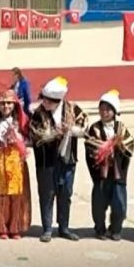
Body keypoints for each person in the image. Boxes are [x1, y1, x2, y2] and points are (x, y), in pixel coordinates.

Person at [30, 76, 88, 243]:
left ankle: (64, 228)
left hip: (68, 159)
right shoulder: (38, 113)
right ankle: (47, 228)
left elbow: (85, 127)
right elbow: (35, 133)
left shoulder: (73, 109)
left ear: (58, 101)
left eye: (49, 101)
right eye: (44, 99)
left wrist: (71, 129)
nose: (45, 103)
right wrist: (54, 133)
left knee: (65, 194)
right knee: (46, 194)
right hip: (46, 161)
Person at [84, 90, 134, 241]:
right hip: (101, 174)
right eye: (102, 109)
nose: (104, 112)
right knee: (99, 204)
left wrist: (118, 145)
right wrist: (103, 149)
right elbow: (90, 146)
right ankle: (100, 229)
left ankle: (116, 229)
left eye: (108, 109)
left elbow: (129, 144)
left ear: (114, 111)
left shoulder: (121, 128)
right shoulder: (94, 128)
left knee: (119, 204)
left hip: (117, 173)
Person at [0, 90, 32, 239]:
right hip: (0, 160)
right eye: (2, 103)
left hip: (17, 161)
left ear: (15, 104)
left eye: (9, 103)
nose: (6, 106)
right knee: (1, 195)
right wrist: (0, 140)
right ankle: (2, 228)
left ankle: (16, 227)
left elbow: (30, 140)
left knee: (17, 195)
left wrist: (18, 139)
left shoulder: (21, 121)